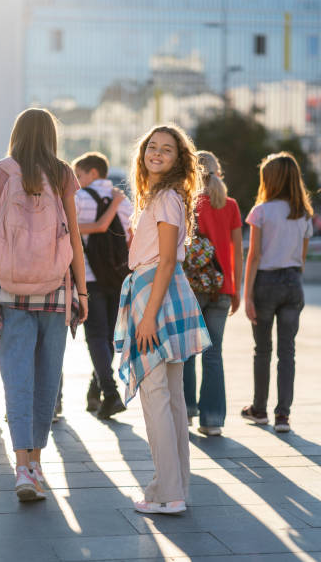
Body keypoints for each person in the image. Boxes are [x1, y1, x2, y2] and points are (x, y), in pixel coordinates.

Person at [0, 108, 88, 501]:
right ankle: (37, 463)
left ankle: (22, 467)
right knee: (47, 381)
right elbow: (74, 237)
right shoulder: (62, 172)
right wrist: (83, 293)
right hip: (56, 291)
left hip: (9, 291)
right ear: (49, 135)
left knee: (16, 380)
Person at [114, 125, 211, 514]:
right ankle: (174, 489)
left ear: (178, 159)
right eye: (151, 147)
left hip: (157, 294)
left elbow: (168, 259)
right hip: (159, 290)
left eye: (166, 150)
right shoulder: (158, 196)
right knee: (170, 400)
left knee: (159, 399)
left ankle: (168, 493)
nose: (156, 153)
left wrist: (148, 316)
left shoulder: (167, 198)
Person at [242, 152, 313, 433]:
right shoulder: (304, 215)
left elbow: (255, 256)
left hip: (266, 282)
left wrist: (247, 294)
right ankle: (283, 415)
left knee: (262, 350)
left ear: (268, 180)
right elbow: (303, 258)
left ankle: (259, 410)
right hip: (293, 281)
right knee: (288, 351)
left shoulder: (260, 212)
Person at [183, 151, 243, 436]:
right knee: (213, 353)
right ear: (218, 171)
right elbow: (237, 251)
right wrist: (236, 287)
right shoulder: (230, 205)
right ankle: (212, 420)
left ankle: (185, 412)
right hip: (222, 287)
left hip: (191, 286)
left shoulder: (188, 202)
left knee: (187, 352)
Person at [73, 151, 133, 419]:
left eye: (79, 174)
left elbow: (68, 231)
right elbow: (133, 235)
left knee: (95, 336)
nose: (76, 180)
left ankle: (109, 393)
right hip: (118, 276)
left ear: (93, 173)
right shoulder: (124, 202)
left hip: (89, 276)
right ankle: (95, 392)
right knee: (108, 337)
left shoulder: (79, 198)